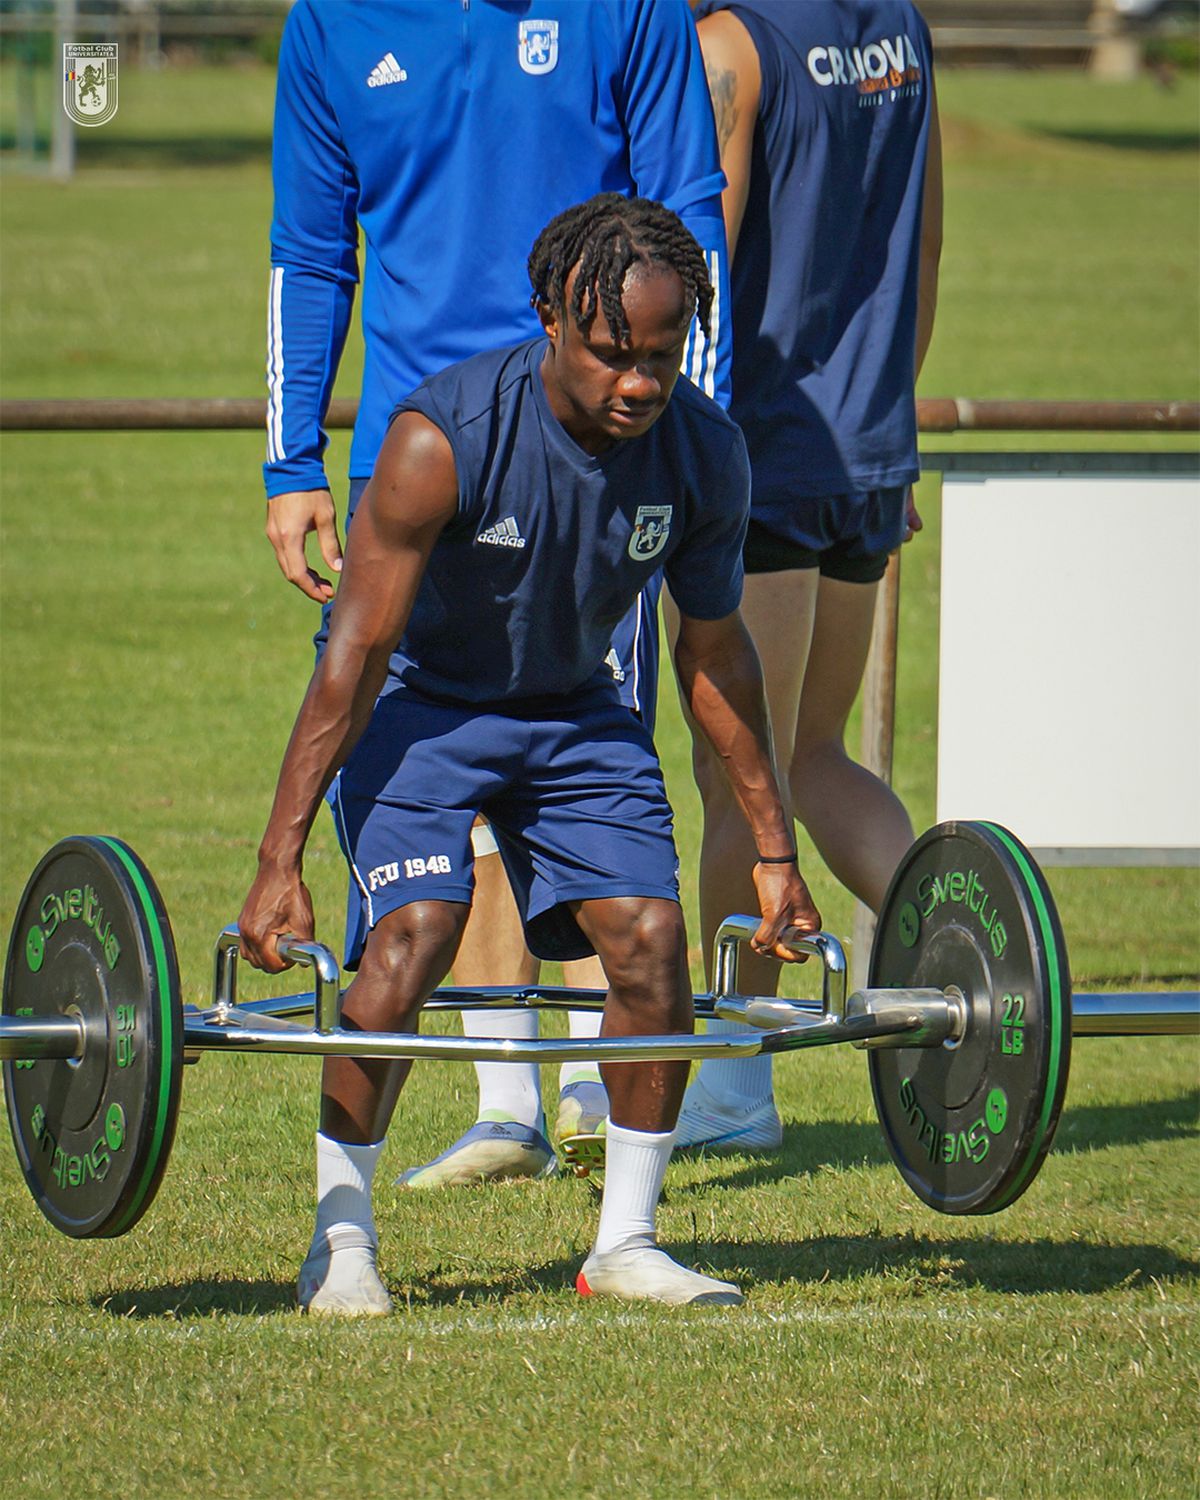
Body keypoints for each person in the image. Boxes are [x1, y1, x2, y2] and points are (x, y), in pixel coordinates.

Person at [237, 195, 821, 1314]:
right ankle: (343, 1243)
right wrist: (280, 861)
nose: (639, 383)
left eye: (660, 354)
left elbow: (713, 655)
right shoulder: (438, 438)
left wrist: (773, 850)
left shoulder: (703, 453)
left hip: (577, 716)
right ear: (551, 315)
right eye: (613, 354)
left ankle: (626, 1245)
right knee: (413, 939)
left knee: (651, 939)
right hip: (425, 709)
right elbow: (355, 659)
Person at [263, 0, 732, 1185]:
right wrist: (292, 462)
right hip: (416, 459)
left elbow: (691, 224)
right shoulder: (333, 22)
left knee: (579, 750)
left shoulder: (628, 11)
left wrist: (684, 435)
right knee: (439, 768)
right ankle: (504, 1096)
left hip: (602, 450)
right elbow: (311, 251)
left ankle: (591, 1086)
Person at [672, 0, 943, 1149]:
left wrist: (680, 457)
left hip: (766, 457)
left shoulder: (731, 45)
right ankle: (988, 973)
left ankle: (734, 1084)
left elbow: (699, 273)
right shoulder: (903, 27)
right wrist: (888, 426)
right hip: (868, 452)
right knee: (818, 756)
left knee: (745, 768)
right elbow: (927, 248)